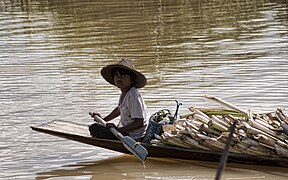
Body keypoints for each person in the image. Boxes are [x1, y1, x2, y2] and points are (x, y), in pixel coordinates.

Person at [89, 58, 150, 141]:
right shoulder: (125, 93)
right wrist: (103, 120)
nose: (119, 79)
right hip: (126, 132)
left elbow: (139, 122)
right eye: (117, 76)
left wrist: (118, 130)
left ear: (131, 80)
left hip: (134, 137)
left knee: (94, 127)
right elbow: (119, 109)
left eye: (124, 76)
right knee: (97, 127)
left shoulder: (133, 95)